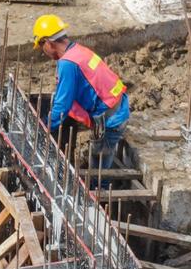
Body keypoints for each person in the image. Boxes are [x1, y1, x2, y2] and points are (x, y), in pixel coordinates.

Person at [32, 13, 132, 171]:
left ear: (49, 43)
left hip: (111, 120)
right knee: (97, 158)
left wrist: (44, 126)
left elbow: (62, 105)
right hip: (117, 106)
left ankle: (101, 190)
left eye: (42, 46)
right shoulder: (77, 51)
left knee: (98, 172)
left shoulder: (67, 64)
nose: (43, 52)